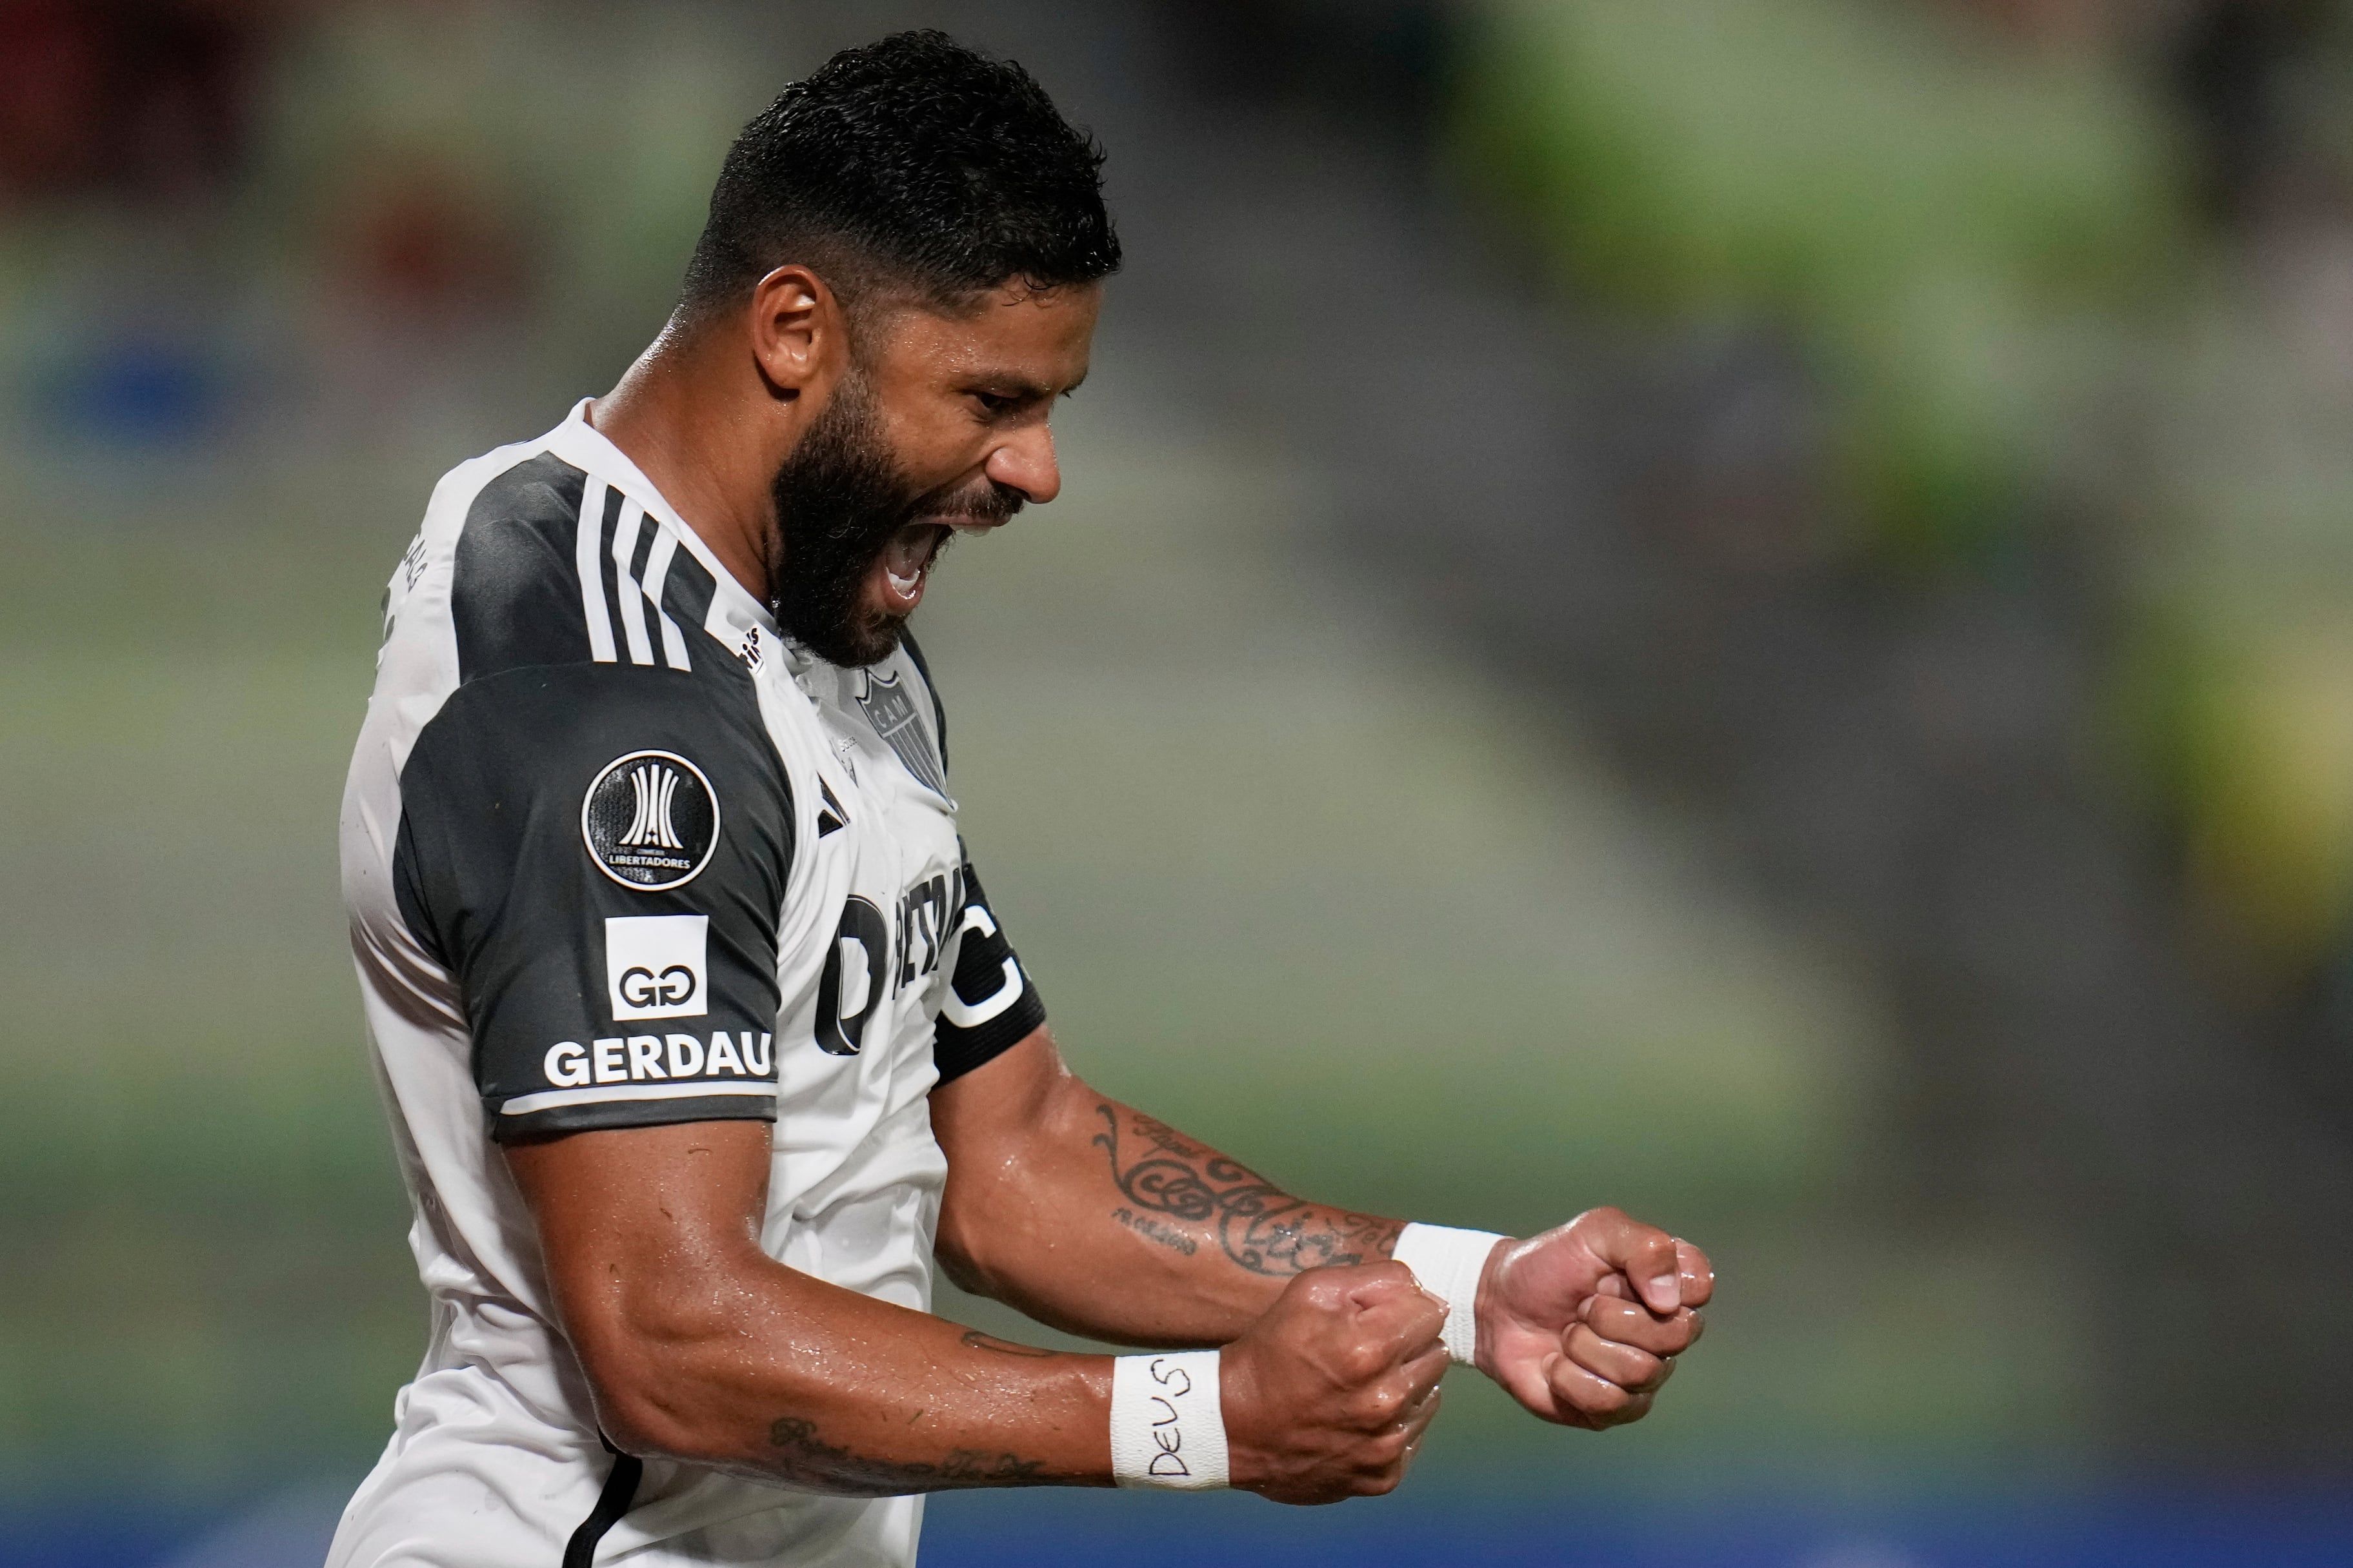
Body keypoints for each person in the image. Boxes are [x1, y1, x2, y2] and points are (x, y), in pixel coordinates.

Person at [332, 30, 1712, 1568]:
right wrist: (1201, 1422)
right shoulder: (600, 689)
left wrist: (1465, 1287)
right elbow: (668, 1329)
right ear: (794, 328)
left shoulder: (820, 634)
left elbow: (1011, 1150)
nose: (1039, 469)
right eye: (991, 397)